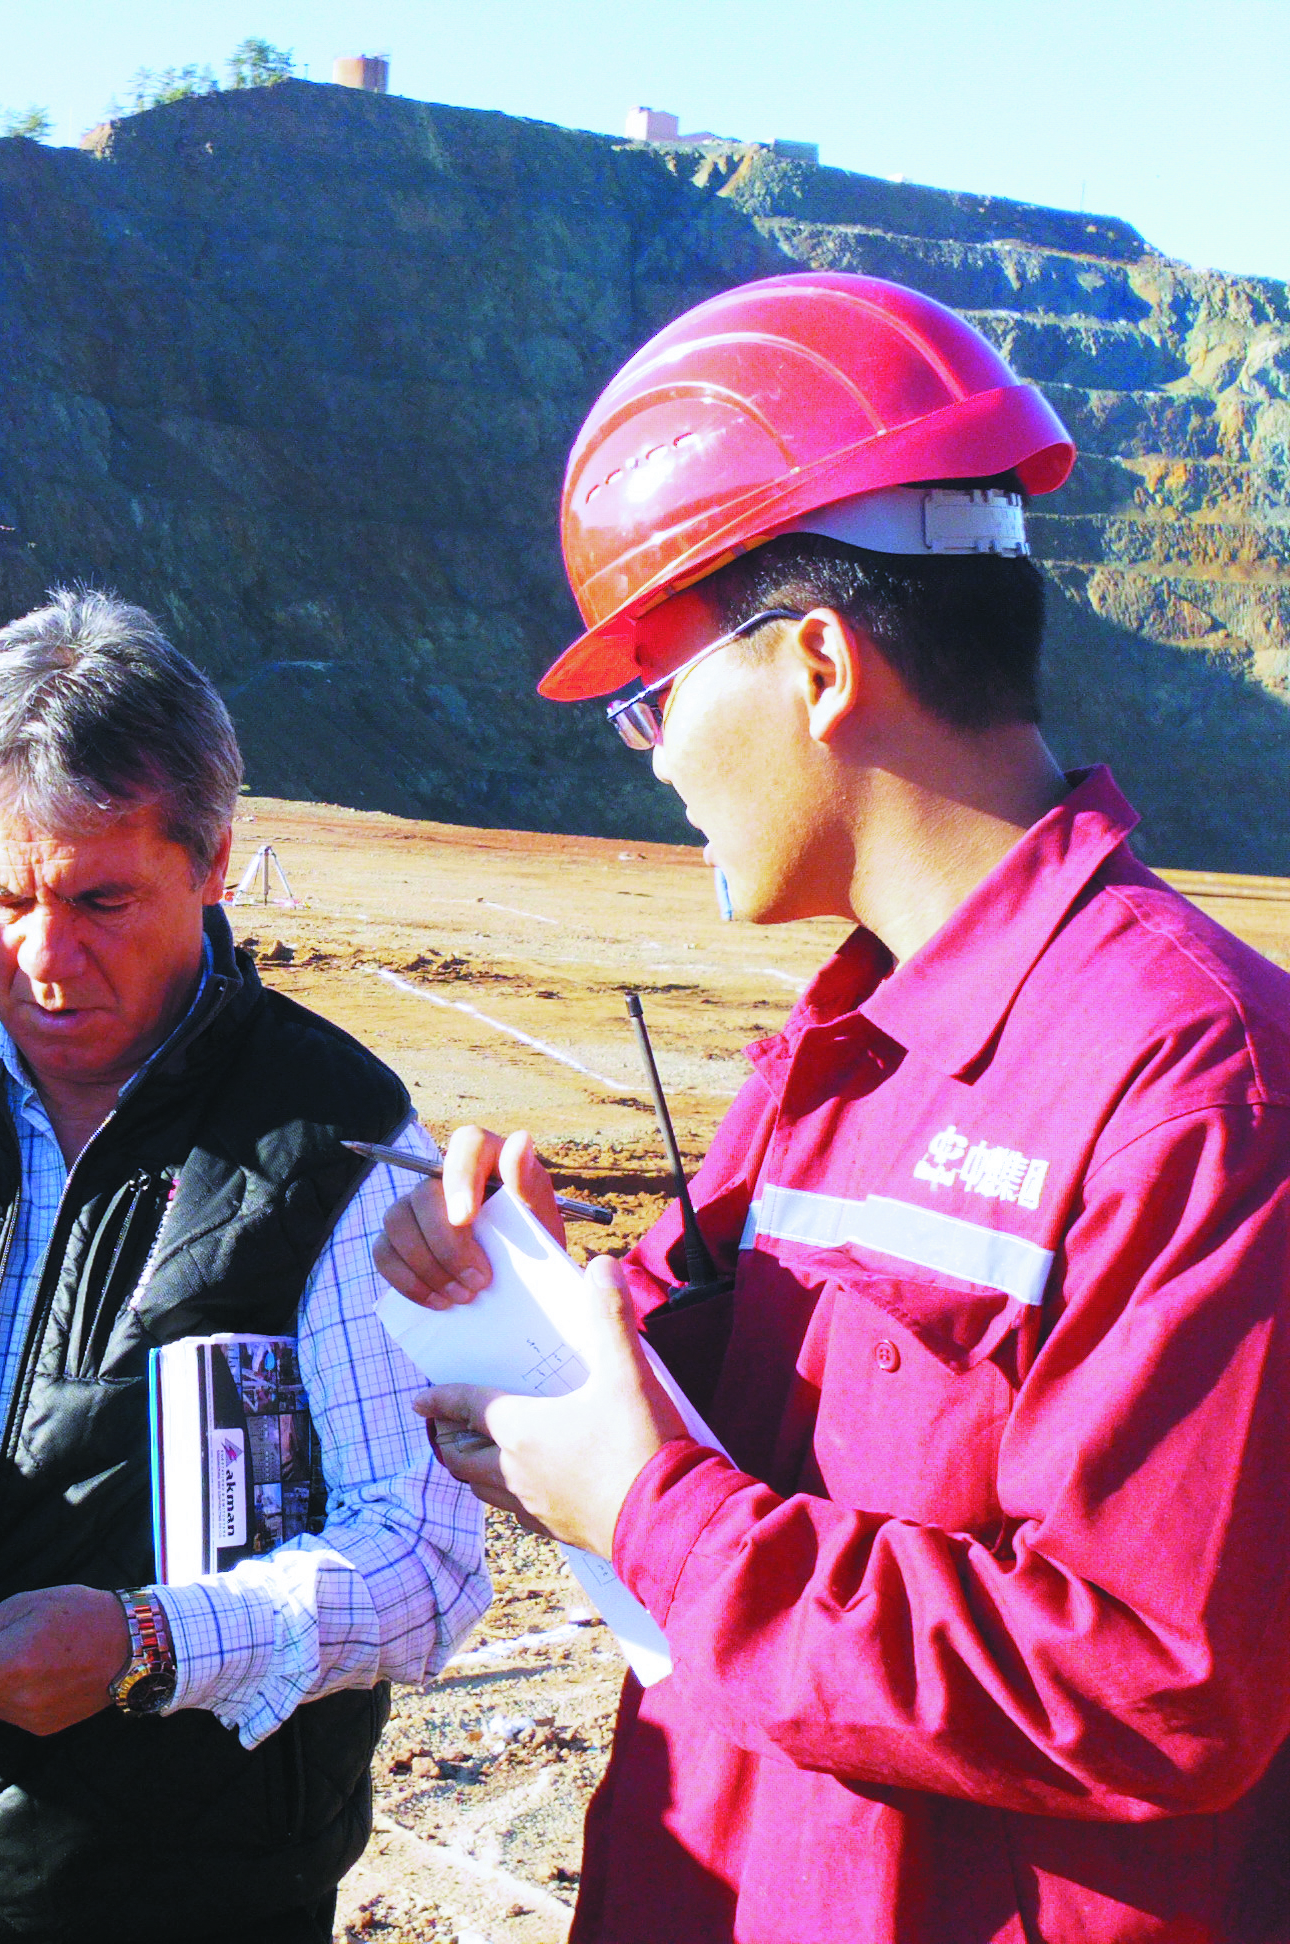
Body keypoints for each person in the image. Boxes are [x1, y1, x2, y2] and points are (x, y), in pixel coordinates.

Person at [381, 272, 1290, 1942]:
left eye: (652, 698)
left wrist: (647, 1509)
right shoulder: (837, 1041)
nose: (651, 760)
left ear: (811, 664)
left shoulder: (1191, 1077)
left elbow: (1159, 1678)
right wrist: (535, 1319)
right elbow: (702, 1403)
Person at [0, 591, 490, 1943]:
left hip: (197, 1899)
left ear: (214, 861)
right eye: (1, 900)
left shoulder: (336, 1142)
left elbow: (422, 1562)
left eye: (101, 899)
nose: (45, 962)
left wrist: (150, 1645)